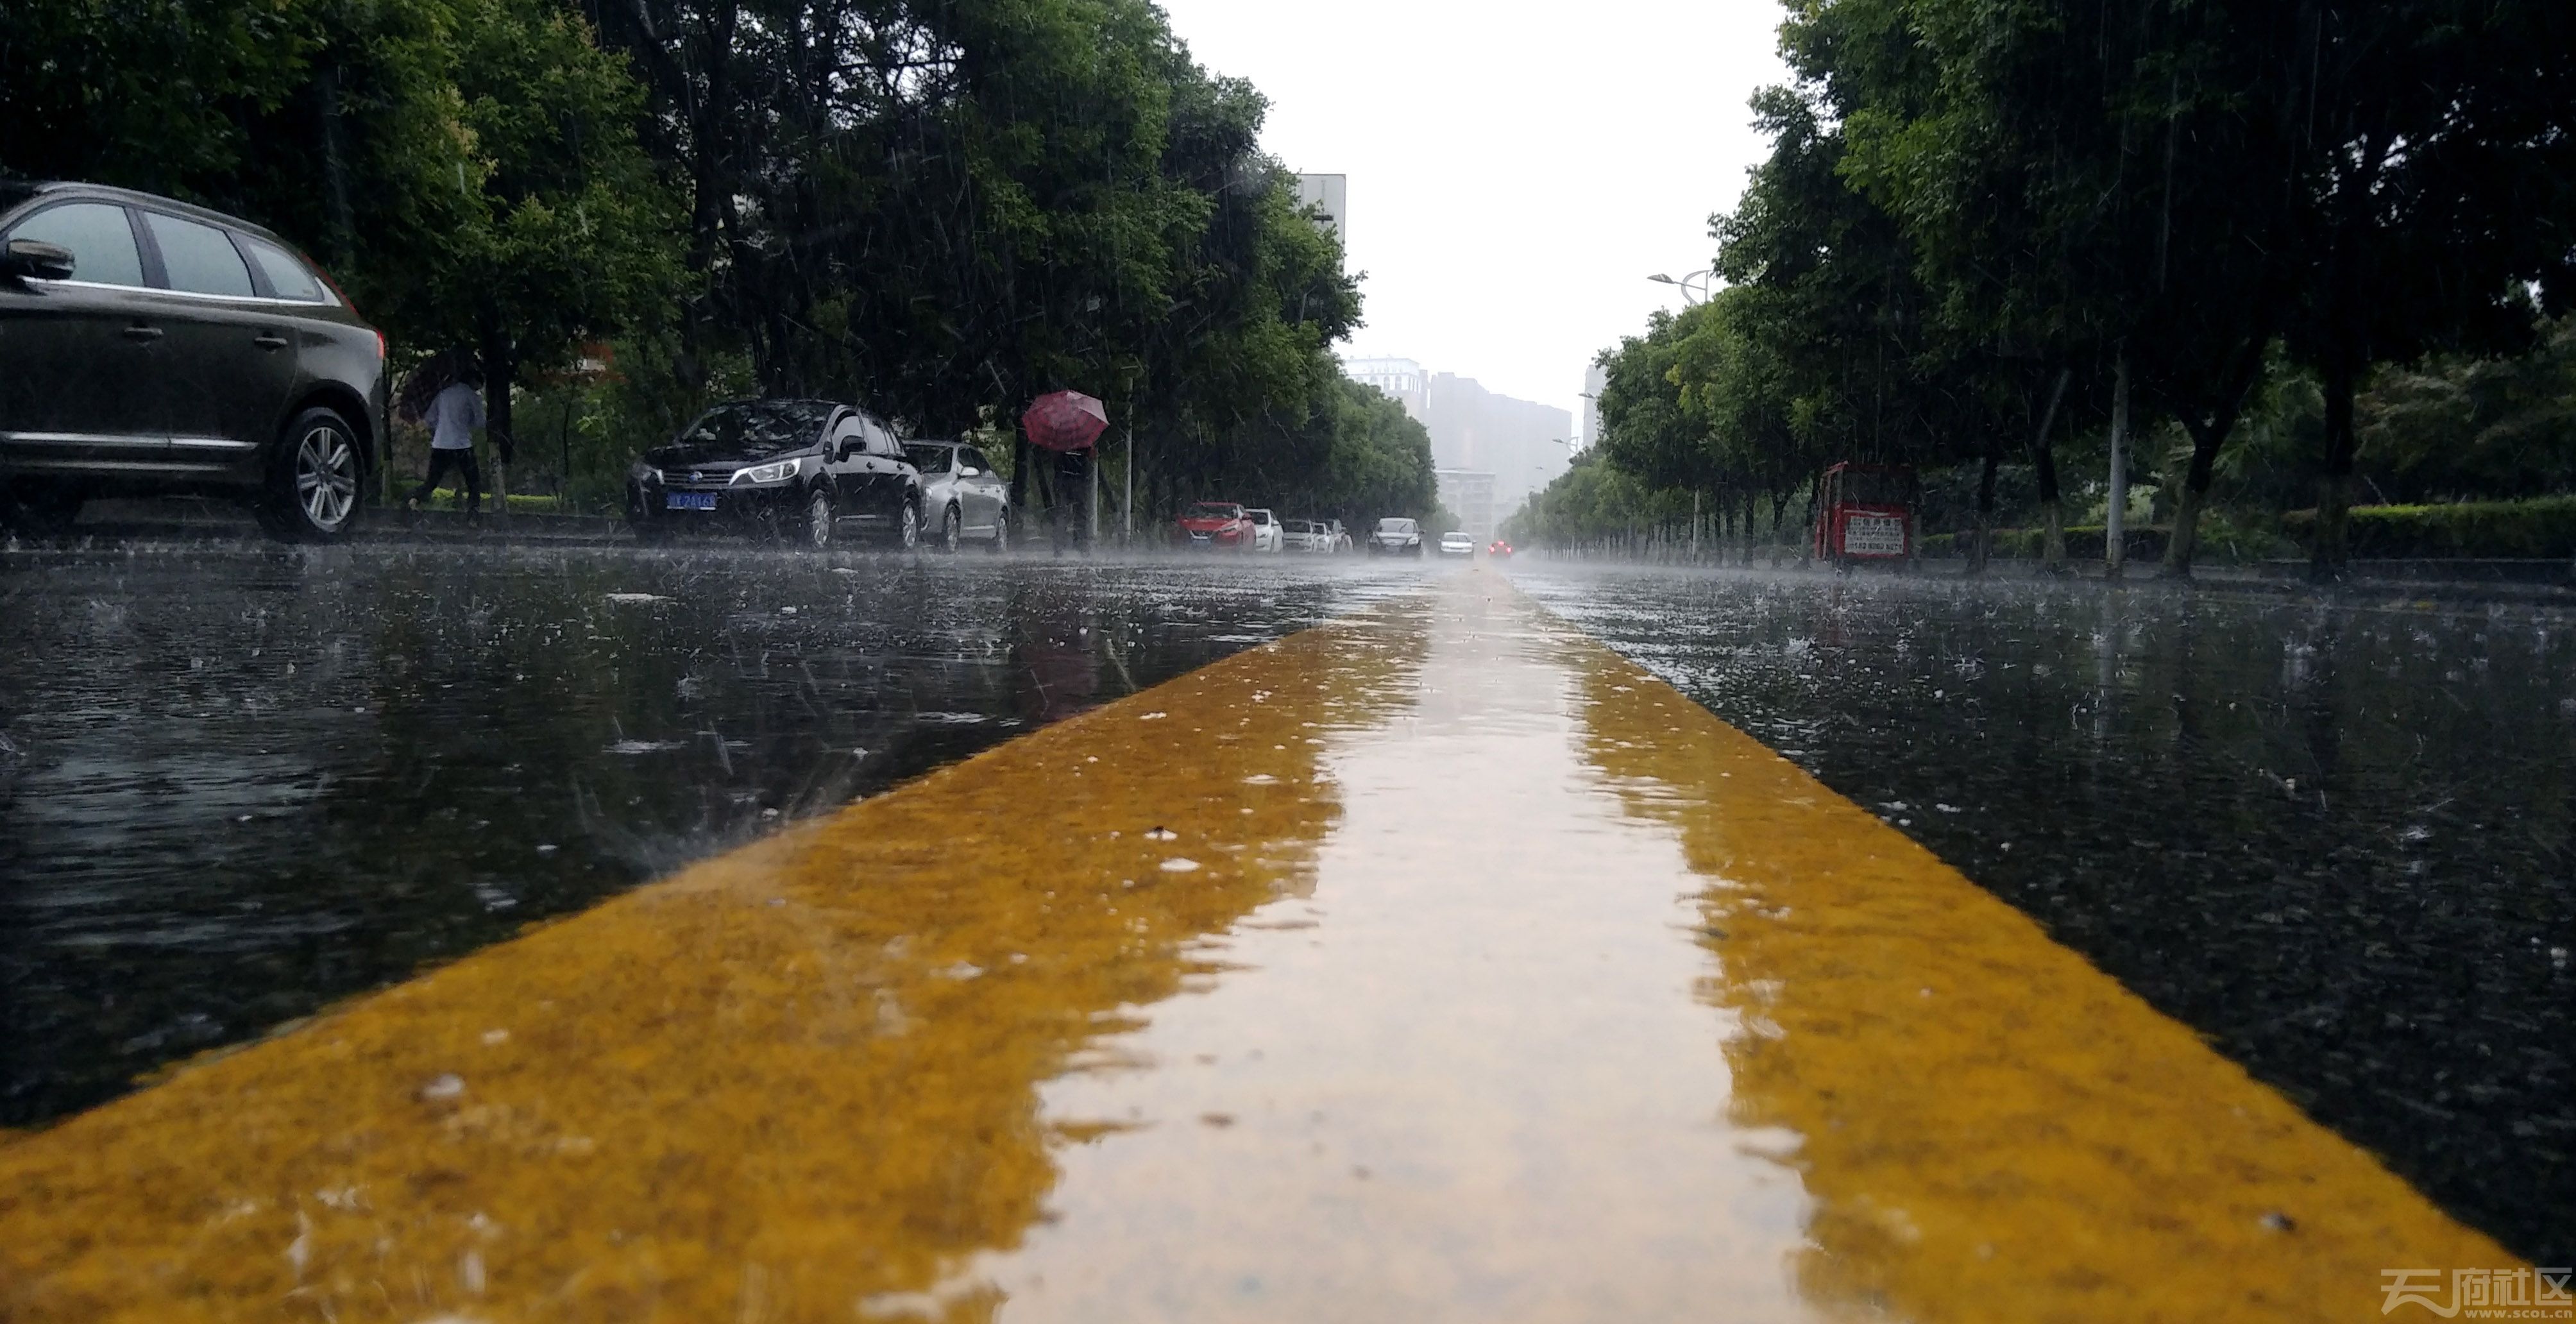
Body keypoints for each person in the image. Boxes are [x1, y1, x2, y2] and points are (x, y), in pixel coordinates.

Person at [408, 365, 487, 521]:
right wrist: (467, 422)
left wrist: (443, 426)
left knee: (431, 482)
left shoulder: (444, 393)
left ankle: (413, 499)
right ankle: (473, 516)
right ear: (473, 381)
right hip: (462, 445)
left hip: (440, 444)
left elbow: (430, 419)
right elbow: (480, 422)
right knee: (474, 483)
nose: (479, 389)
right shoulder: (471, 395)